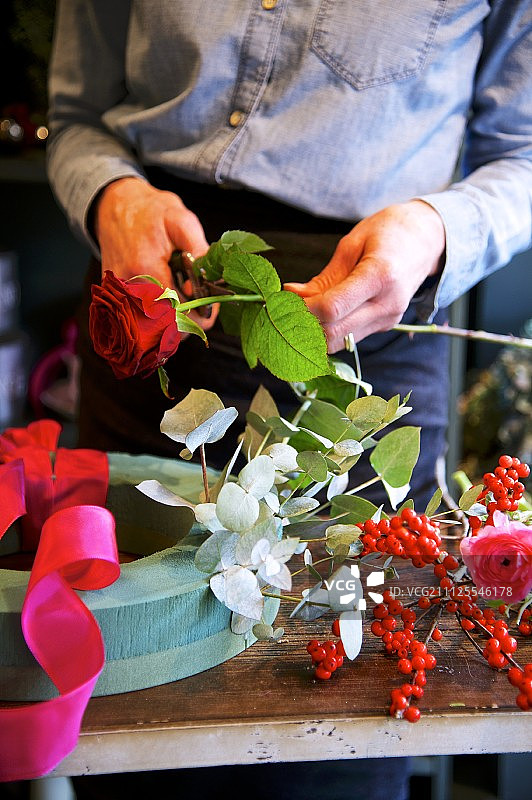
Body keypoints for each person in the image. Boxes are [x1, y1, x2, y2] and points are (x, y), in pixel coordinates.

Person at [47, 2, 531, 798]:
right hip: (154, 321)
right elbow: (74, 118)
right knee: (128, 714)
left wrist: (437, 229)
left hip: (367, 358)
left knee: (333, 735)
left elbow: (524, 152)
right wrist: (110, 196)